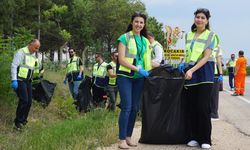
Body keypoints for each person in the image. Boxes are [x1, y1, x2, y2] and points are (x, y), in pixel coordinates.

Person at [178, 8, 218, 149]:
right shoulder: (189, 35)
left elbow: (206, 57)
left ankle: (205, 139)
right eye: (197, 17)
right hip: (190, 73)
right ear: (194, 19)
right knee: (192, 107)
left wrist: (192, 70)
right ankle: (194, 137)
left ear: (207, 21)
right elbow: (188, 54)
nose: (199, 19)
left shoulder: (211, 35)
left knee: (203, 107)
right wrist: (183, 64)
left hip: (204, 73)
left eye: (202, 17)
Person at [116, 11, 152, 149]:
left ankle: (128, 137)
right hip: (125, 76)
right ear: (132, 22)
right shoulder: (124, 38)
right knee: (126, 107)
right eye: (136, 21)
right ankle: (121, 139)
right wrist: (138, 69)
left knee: (135, 108)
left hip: (139, 79)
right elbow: (121, 60)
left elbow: (147, 61)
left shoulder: (145, 41)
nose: (139, 24)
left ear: (144, 24)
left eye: (141, 22)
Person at [11, 39, 41, 129]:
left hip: (28, 81)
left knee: (29, 102)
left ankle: (23, 120)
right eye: (36, 48)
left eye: (38, 48)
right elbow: (14, 65)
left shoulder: (33, 55)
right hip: (20, 80)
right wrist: (14, 80)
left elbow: (32, 69)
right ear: (30, 45)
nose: (36, 50)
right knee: (24, 100)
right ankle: (17, 122)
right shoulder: (21, 52)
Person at [211, 43, 223, 121]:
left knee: (214, 95)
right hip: (204, 72)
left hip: (214, 73)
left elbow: (219, 61)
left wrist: (221, 74)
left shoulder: (217, 47)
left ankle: (214, 114)